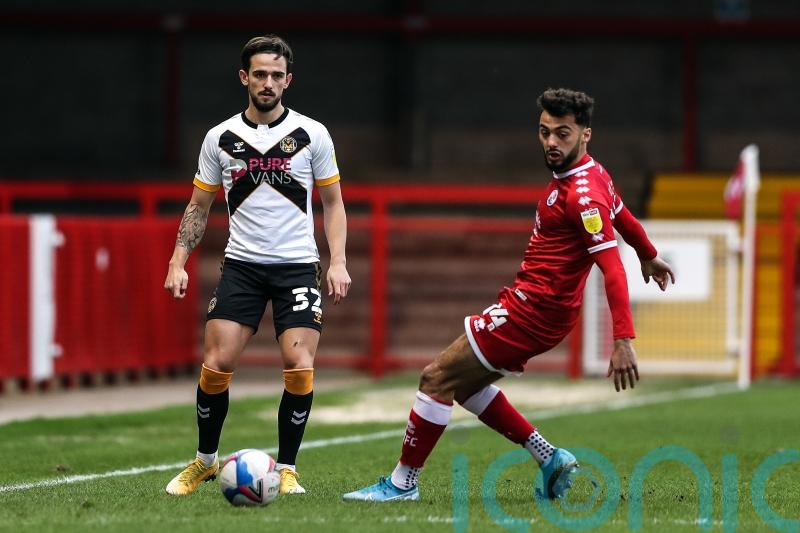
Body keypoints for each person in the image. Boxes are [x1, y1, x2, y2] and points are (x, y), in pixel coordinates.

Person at [343, 88, 674, 502]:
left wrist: (623, 339)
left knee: (436, 377)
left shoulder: (582, 195)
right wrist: (649, 254)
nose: (551, 142)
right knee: (464, 384)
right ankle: (549, 457)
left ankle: (401, 484)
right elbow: (623, 215)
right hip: (535, 306)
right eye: (545, 131)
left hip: (533, 312)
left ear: (585, 134)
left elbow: (612, 268)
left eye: (563, 134)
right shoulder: (594, 174)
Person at [163, 34, 351, 497]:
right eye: (260, 74)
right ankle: (206, 461)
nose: (268, 82)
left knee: (299, 365)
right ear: (244, 78)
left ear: (289, 81)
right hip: (242, 266)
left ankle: (286, 469)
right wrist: (177, 261)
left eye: (276, 75)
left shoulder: (313, 134)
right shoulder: (219, 138)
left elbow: (333, 203)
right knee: (216, 364)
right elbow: (198, 206)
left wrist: (338, 261)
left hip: (297, 267)